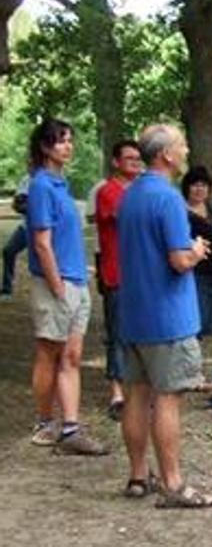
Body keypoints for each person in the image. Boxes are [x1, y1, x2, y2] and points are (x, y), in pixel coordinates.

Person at [118, 124, 212, 507]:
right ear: (166, 156)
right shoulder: (169, 200)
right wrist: (196, 249)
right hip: (167, 317)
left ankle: (138, 476)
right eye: (181, 143)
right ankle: (173, 485)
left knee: (137, 395)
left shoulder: (131, 195)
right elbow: (178, 261)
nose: (187, 147)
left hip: (135, 314)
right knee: (169, 398)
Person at [26, 118, 108, 454]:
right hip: (55, 284)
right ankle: (46, 422)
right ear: (45, 147)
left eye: (70, 140)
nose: (68, 146)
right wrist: (57, 284)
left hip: (76, 281)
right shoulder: (42, 186)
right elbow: (42, 242)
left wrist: (78, 276)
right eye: (61, 141)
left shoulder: (61, 184)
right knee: (50, 352)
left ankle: (71, 428)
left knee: (72, 356)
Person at [94, 139, 144, 420]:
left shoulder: (140, 190)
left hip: (142, 275)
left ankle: (136, 389)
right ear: (116, 162)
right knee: (117, 334)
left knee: (139, 333)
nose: (135, 162)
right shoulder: (108, 191)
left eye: (138, 158)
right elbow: (124, 217)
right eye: (129, 158)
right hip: (116, 273)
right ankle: (117, 392)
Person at [182, 166, 212, 338]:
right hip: (195, 268)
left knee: (209, 318)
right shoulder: (181, 211)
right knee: (197, 313)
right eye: (195, 185)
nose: (200, 189)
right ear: (187, 188)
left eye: (204, 185)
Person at [2, 174, 30, 298]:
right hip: (27, 226)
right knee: (8, 250)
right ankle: (7, 289)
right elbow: (17, 204)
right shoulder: (26, 178)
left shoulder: (52, 178)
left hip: (46, 228)